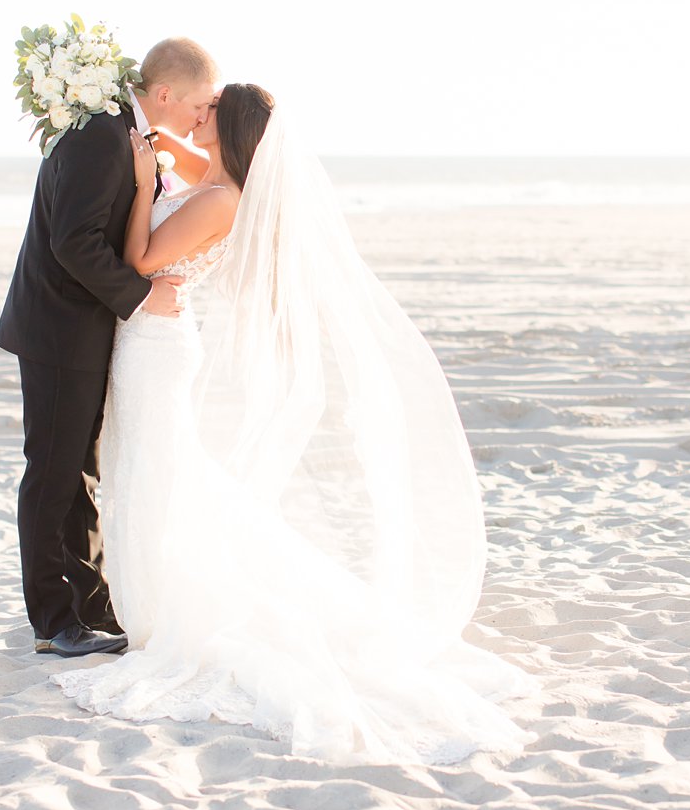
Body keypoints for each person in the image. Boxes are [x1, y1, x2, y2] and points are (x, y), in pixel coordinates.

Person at [50, 85, 539, 764]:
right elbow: (179, 161)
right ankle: (143, 597)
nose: (199, 115)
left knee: (159, 469)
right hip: (155, 340)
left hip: (155, 349)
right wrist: (151, 148)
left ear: (234, 128)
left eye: (210, 110)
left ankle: (161, 605)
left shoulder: (221, 197)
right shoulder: (215, 178)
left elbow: (141, 261)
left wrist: (138, 189)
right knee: (155, 467)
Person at [0, 37, 220, 659]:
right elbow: (74, 243)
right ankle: (52, 620)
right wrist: (145, 297)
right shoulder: (102, 135)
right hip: (59, 330)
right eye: (199, 104)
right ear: (166, 94)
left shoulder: (128, 134)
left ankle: (92, 608)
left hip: (83, 328)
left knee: (78, 475)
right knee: (53, 474)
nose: (202, 117)